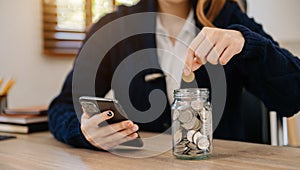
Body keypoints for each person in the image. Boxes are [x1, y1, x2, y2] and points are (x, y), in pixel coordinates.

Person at [48, 0, 300, 151]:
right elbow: (62, 106)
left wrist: (247, 43)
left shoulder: (229, 18)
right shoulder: (115, 27)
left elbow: (294, 94)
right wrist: (83, 132)